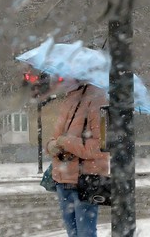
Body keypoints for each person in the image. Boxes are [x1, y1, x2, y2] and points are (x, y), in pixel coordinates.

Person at [46, 80, 109, 237]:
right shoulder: (69, 99)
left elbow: (99, 147)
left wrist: (64, 142)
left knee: (85, 233)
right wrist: (50, 146)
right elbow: (55, 137)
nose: (60, 78)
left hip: (85, 180)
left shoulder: (97, 100)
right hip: (63, 179)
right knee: (72, 233)